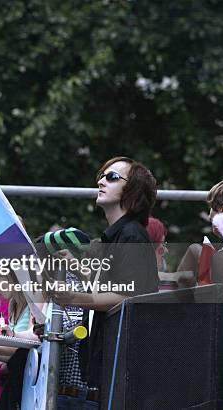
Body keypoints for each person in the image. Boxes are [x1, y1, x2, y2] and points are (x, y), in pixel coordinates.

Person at [50, 156, 159, 392]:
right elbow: (110, 285)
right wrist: (76, 268)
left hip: (123, 362)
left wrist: (74, 298)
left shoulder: (132, 235)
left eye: (111, 177)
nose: (101, 181)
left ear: (133, 189)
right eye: (101, 176)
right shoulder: (118, 236)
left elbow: (127, 295)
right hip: (109, 359)